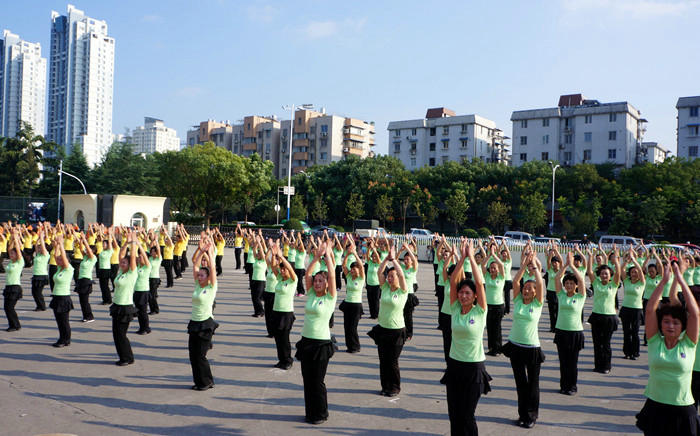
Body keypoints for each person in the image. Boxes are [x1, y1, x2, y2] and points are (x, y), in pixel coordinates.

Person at [636, 260, 700, 435]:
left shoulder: (688, 344)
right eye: (666, 322)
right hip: (655, 407)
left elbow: (695, 314)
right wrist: (664, 281)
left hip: (683, 408)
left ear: (682, 326)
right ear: (661, 324)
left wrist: (680, 278)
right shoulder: (655, 342)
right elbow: (650, 310)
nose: (670, 326)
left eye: (675, 322)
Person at [445, 238, 491, 436]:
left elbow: (479, 283)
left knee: (467, 414)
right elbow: (453, 281)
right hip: (454, 365)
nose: (463, 296)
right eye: (461, 293)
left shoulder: (480, 311)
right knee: (454, 412)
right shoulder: (455, 309)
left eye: (467, 293)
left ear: (474, 296)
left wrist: (471, 258)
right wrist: (461, 258)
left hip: (474, 368)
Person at [502, 251, 545, 429]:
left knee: (533, 384)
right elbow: (515, 282)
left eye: (530, 288)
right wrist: (523, 265)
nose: (526, 290)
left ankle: (531, 416)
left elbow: (540, 283)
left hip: (532, 348)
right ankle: (522, 414)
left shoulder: (537, 303)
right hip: (515, 346)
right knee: (520, 383)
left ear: (535, 292)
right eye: (525, 287)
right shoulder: (518, 301)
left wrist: (534, 266)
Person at [296, 243, 337, 425]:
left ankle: (321, 413)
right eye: (316, 281)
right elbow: (307, 274)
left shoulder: (330, 297)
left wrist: (327, 257)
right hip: (306, 341)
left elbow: (332, 274)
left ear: (326, 283)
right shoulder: (311, 293)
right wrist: (316, 257)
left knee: (317, 380)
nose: (317, 283)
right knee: (307, 379)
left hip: (321, 344)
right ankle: (310, 413)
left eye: (321, 281)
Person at [368, 244, 409, 397]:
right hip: (383, 329)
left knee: (392, 361)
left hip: (397, 331)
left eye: (393, 276)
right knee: (383, 360)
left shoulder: (403, 291)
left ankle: (395, 387)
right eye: (389, 276)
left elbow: (402, 275)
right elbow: (379, 271)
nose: (390, 278)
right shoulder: (385, 288)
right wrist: (386, 259)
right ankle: (385, 386)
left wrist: (394, 260)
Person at [553, 251, 586, 395]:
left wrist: (572, 266)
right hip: (561, 331)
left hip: (575, 332)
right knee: (563, 361)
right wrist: (565, 265)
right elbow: (557, 278)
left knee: (572, 362)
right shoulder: (561, 295)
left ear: (576, 285)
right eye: (567, 283)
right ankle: (564, 386)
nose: (569, 285)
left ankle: (572, 386)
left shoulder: (580, 297)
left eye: (572, 283)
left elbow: (582, 280)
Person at [188, 233, 218, 391]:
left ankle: (207, 381)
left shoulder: (211, 287)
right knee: (193, 355)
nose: (199, 277)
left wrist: (209, 253)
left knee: (200, 355)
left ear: (208, 277)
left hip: (205, 324)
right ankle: (199, 381)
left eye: (202, 275)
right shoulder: (197, 286)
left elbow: (212, 268)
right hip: (194, 322)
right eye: (198, 275)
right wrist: (200, 251)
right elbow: (195, 265)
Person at [587, 246, 621, 374]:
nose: (604, 275)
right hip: (596, 316)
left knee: (606, 343)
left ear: (610, 275)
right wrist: (591, 256)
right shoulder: (596, 283)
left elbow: (618, 273)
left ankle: (606, 366)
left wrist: (616, 260)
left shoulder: (614, 284)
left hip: (609, 317)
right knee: (597, 343)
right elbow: (589, 271)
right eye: (602, 273)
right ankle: (598, 365)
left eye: (606, 273)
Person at [111, 230, 139, 366]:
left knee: (121, 334)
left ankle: (128, 358)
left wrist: (133, 243)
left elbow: (132, 257)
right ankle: (123, 356)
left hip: (125, 307)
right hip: (116, 305)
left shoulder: (132, 274)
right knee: (116, 334)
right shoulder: (120, 273)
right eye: (121, 262)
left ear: (129, 265)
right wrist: (126, 243)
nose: (122, 264)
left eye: (124, 263)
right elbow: (121, 254)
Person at [270, 241, 297, 369]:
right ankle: (281, 359)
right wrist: (274, 254)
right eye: (281, 269)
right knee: (278, 338)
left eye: (284, 269)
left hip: (286, 313)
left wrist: (281, 256)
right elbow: (273, 267)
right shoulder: (280, 279)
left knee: (284, 338)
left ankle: (288, 360)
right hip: (276, 311)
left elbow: (290, 268)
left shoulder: (292, 281)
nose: (282, 271)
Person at [620, 247, 646, 360]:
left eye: (636, 272)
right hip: (626, 309)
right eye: (632, 272)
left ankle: (635, 353)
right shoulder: (626, 281)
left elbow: (640, 269)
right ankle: (627, 352)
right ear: (629, 274)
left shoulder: (642, 283)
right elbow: (621, 269)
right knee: (626, 332)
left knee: (635, 332)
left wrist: (634, 260)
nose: (634, 274)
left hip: (637, 310)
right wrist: (627, 260)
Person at [49, 233, 74, 347]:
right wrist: (57, 246)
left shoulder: (69, 269)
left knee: (64, 321)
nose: (58, 261)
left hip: (64, 298)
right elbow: (55, 255)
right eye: (58, 260)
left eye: (61, 259)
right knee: (59, 320)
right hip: (56, 297)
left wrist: (61, 244)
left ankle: (66, 340)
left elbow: (62, 256)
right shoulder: (59, 269)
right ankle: (62, 338)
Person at [341, 239, 365, 353]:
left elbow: (361, 266)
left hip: (356, 305)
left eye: (354, 269)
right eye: (351, 269)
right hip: (347, 304)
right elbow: (343, 265)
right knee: (347, 326)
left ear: (358, 270)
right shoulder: (349, 277)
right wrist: (347, 254)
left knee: (353, 327)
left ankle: (356, 346)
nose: (352, 271)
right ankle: (349, 346)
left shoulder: (361, 278)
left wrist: (355, 253)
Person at [482, 241, 506, 356]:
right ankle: (491, 348)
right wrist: (489, 255)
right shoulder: (487, 276)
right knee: (490, 328)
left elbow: (501, 265)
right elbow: (483, 265)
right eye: (491, 268)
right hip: (488, 305)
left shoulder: (501, 277)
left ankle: (498, 349)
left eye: (494, 268)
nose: (492, 270)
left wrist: (494, 255)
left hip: (498, 306)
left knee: (497, 328)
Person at [3, 228, 24, 332]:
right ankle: (13, 324)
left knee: (10, 307)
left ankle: (15, 325)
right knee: (7, 307)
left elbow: (18, 252)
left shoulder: (20, 262)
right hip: (8, 286)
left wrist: (16, 239)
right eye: (10, 254)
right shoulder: (11, 262)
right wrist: (11, 238)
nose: (11, 255)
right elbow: (9, 249)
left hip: (15, 287)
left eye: (13, 254)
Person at [74, 232, 97, 323]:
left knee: (85, 300)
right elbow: (81, 248)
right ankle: (85, 316)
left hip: (86, 280)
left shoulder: (93, 258)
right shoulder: (85, 257)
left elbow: (88, 250)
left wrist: (84, 239)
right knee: (81, 300)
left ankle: (90, 316)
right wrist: (81, 240)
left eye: (89, 250)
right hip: (81, 280)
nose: (87, 251)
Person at [399, 242, 419, 341]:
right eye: (405, 259)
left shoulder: (413, 269)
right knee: (401, 314)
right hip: (401, 293)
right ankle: (402, 331)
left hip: (409, 294)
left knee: (408, 315)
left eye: (408, 259)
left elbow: (415, 260)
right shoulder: (402, 267)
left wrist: (408, 249)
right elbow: (395, 259)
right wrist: (400, 250)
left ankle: (409, 333)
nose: (406, 261)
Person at [133, 242, 152, 335]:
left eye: (141, 257)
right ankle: (142, 328)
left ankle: (146, 328)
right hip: (136, 291)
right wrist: (133, 244)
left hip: (144, 291)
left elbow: (144, 255)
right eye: (139, 257)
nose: (139, 258)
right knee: (138, 311)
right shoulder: (137, 267)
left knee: (143, 311)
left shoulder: (147, 267)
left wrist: (139, 245)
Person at [31, 227, 50, 311]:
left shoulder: (46, 255)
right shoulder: (38, 255)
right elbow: (36, 245)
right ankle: (39, 305)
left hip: (41, 276)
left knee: (38, 292)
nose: (39, 249)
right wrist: (39, 238)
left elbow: (42, 246)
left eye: (40, 247)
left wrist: (42, 238)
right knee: (34, 292)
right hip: (36, 275)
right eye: (38, 248)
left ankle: (42, 306)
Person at [97, 228, 117, 305]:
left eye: (104, 244)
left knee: (105, 286)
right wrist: (100, 231)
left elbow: (110, 242)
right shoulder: (102, 251)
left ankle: (108, 300)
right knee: (102, 286)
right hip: (101, 269)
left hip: (106, 270)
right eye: (103, 244)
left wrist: (110, 234)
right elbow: (102, 239)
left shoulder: (109, 251)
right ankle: (104, 299)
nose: (103, 245)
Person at [546, 244, 563, 332]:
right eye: (553, 263)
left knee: (558, 311)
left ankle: (558, 327)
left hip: (559, 293)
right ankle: (552, 327)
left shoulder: (561, 270)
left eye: (556, 262)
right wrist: (551, 251)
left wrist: (556, 251)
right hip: (550, 292)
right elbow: (548, 260)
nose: (554, 264)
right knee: (551, 311)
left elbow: (562, 261)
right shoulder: (550, 270)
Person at [250, 235, 266, 318]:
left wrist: (259, 242)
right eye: (258, 253)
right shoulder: (256, 260)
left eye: (259, 253)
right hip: (254, 280)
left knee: (257, 297)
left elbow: (262, 252)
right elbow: (254, 250)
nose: (258, 254)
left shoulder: (264, 261)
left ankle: (261, 311)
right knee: (253, 297)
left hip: (261, 281)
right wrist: (256, 242)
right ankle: (257, 311)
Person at [365, 239, 382, 319]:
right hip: (369, 284)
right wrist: (369, 248)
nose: (374, 257)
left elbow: (377, 257)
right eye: (373, 256)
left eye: (375, 256)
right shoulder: (370, 262)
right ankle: (372, 314)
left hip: (376, 285)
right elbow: (367, 255)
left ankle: (376, 314)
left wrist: (374, 249)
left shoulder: (379, 263)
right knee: (370, 300)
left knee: (376, 300)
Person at [148, 237, 162, 315]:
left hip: (155, 278)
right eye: (152, 251)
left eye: (154, 251)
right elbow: (150, 246)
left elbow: (159, 249)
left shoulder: (158, 259)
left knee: (152, 295)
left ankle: (154, 309)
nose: (153, 253)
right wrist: (152, 240)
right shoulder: (150, 258)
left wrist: (156, 241)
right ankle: (154, 309)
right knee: (149, 295)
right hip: (148, 278)